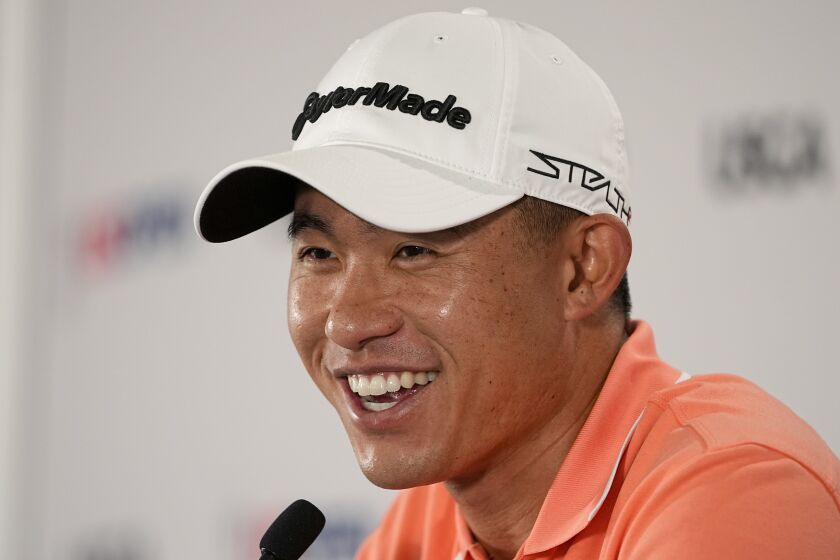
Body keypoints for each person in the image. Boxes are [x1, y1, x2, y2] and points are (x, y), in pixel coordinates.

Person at [194, 8, 840, 560]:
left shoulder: (731, 491)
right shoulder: (429, 519)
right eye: (318, 252)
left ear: (582, 269)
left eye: (414, 250)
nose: (347, 323)